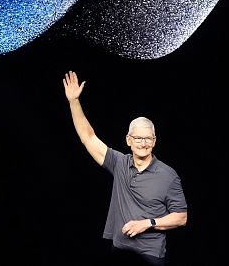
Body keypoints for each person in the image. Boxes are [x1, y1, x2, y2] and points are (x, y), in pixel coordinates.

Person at [63, 70, 188, 265]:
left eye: (148, 138)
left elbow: (181, 217)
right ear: (128, 140)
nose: (143, 143)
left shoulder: (168, 175)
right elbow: (88, 137)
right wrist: (73, 102)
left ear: (154, 141)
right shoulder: (119, 163)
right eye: (138, 138)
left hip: (150, 256)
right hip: (119, 252)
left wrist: (148, 223)